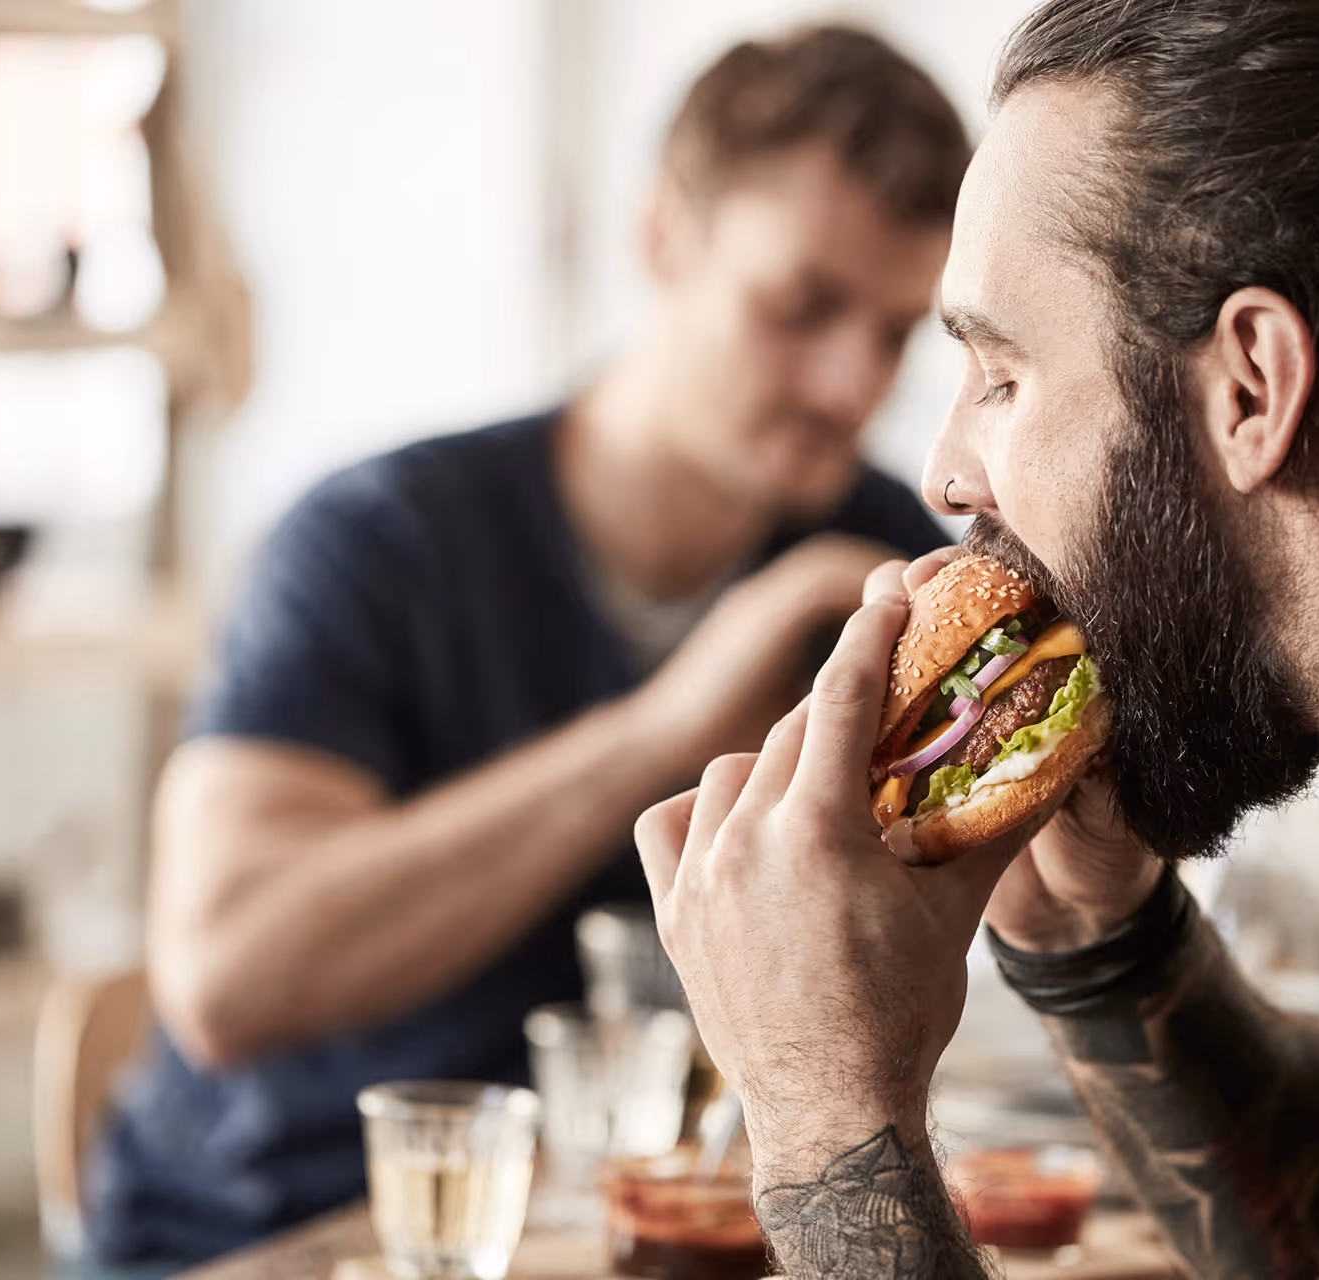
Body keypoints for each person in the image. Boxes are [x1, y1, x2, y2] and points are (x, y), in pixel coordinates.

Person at [635, 0, 1319, 1275]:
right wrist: (1099, 941)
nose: (944, 472)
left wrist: (825, 1118)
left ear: (1253, 388)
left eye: (1001, 376)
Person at [82, 26, 968, 1268]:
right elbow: (223, 978)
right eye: (802, 306)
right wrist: (663, 727)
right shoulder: (373, 541)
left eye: (892, 333)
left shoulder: (875, 543)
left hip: (599, 1236)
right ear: (662, 236)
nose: (849, 384)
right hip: (268, 1230)